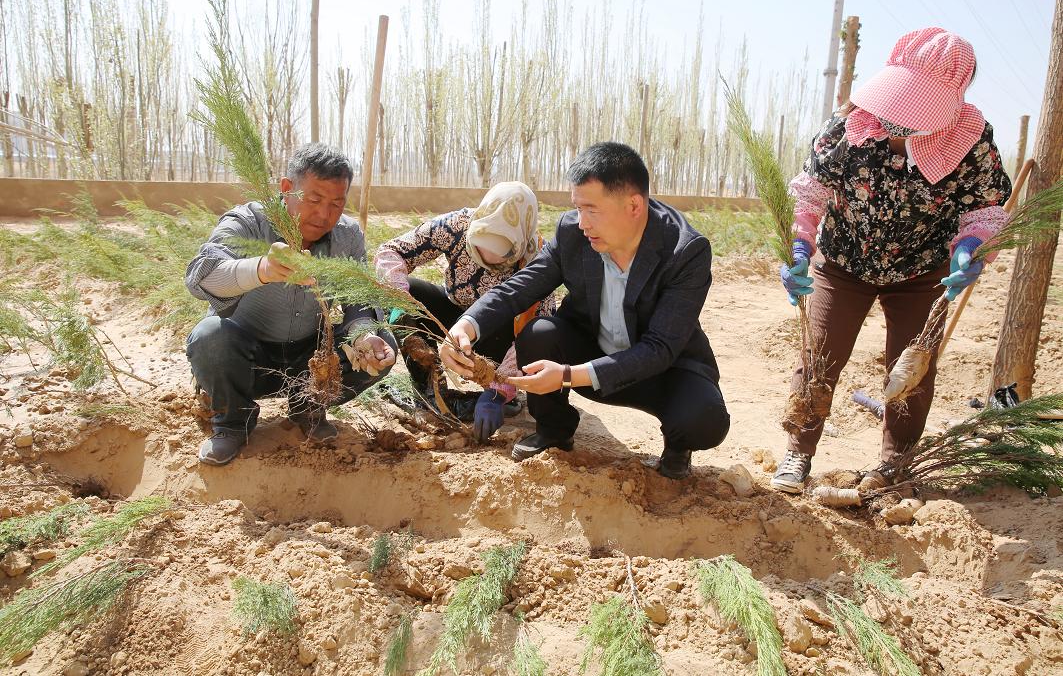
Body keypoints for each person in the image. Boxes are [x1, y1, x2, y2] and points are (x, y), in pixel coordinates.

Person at [770, 28, 1012, 493]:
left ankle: (894, 463)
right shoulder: (847, 129)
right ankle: (798, 453)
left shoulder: (971, 140)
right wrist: (801, 246)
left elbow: (984, 208)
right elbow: (811, 193)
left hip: (922, 272)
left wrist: (969, 248)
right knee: (820, 354)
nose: (900, 119)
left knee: (913, 369)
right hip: (843, 262)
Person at [440, 142, 730, 479]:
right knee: (539, 333)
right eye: (577, 208)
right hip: (589, 351)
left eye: (591, 209)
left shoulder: (685, 251)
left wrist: (566, 375)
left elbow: (660, 348)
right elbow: (520, 287)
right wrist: (466, 326)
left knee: (703, 419)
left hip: (661, 370)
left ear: (633, 205)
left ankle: (678, 446)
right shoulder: (573, 234)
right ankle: (554, 430)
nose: (581, 222)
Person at [185, 143, 397, 466]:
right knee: (209, 337)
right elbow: (201, 276)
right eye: (313, 200)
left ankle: (308, 406)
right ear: (287, 189)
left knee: (381, 345)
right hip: (246, 361)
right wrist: (262, 270)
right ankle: (231, 423)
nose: (324, 215)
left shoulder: (348, 236)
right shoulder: (248, 221)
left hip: (308, 363)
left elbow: (359, 304)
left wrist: (363, 336)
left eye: (336, 203)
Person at [375, 181, 555, 442]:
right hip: (454, 317)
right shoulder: (456, 225)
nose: (486, 258)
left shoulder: (539, 258)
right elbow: (391, 251)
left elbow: (535, 332)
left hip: (499, 337)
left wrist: (498, 390)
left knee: (535, 333)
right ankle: (431, 392)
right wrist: (399, 297)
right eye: (479, 248)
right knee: (407, 296)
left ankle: (500, 396)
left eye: (500, 256)